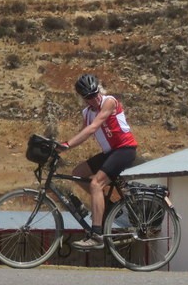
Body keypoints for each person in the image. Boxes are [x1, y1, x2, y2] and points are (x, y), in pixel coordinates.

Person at [58, 73, 138, 250]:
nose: (93, 99)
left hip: (125, 150)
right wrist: (61, 147)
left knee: (95, 184)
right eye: (89, 97)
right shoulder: (86, 112)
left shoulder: (109, 101)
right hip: (110, 152)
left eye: (95, 94)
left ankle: (96, 235)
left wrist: (66, 145)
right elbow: (83, 134)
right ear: (83, 98)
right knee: (77, 173)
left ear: (98, 90)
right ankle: (107, 207)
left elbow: (93, 127)